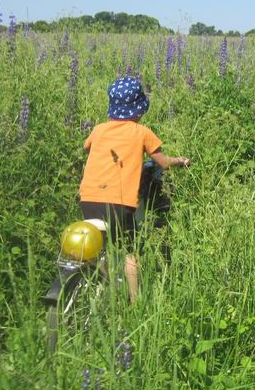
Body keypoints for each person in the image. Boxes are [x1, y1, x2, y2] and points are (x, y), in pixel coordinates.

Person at [78, 76, 190, 300]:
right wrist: (181, 161)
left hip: (87, 201)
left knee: (98, 250)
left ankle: (102, 289)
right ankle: (134, 303)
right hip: (120, 204)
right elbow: (163, 163)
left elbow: (89, 149)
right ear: (139, 110)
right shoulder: (142, 132)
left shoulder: (98, 130)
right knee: (131, 252)